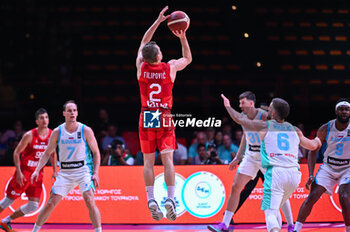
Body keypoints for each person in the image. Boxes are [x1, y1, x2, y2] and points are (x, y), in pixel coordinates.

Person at [208, 92, 319, 232]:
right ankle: (225, 224)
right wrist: (238, 156)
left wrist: (228, 106)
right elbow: (245, 136)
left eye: (243, 102)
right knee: (236, 186)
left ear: (251, 103)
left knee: (278, 191)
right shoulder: (245, 118)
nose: (240, 105)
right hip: (251, 155)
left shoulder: (264, 116)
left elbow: (276, 118)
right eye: (239, 103)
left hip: (267, 156)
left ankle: (290, 224)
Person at [136, 6, 192, 221]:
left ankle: (151, 199)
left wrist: (158, 21)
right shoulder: (170, 68)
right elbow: (187, 58)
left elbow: (143, 43)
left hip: (147, 114)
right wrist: (182, 37)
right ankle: (170, 198)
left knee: (148, 162)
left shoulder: (141, 67)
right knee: (168, 159)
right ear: (159, 55)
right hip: (165, 115)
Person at [30, 101, 102, 232]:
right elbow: (47, 153)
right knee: (50, 203)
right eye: (69, 111)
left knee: (90, 200)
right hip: (65, 173)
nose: (72, 113)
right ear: (64, 113)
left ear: (77, 113)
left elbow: (96, 152)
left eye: (74, 110)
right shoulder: (57, 132)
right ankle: (35, 230)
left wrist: (96, 173)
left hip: (83, 171)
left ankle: (99, 230)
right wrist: (36, 170)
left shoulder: (85, 130)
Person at [294, 98, 350, 232]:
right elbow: (313, 151)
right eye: (341, 109)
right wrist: (311, 173)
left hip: (347, 168)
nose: (344, 112)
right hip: (328, 167)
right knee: (312, 196)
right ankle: (296, 229)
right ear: (336, 111)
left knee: (344, 197)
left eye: (347, 109)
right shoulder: (326, 128)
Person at [0, 108, 57, 232]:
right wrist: (19, 172)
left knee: (33, 205)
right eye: (41, 118)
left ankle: (5, 221)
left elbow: (53, 154)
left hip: (37, 174)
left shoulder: (52, 134)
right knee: (8, 200)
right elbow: (16, 153)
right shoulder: (29, 135)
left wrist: (55, 171)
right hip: (24, 173)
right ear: (37, 121)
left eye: (46, 117)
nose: (45, 120)